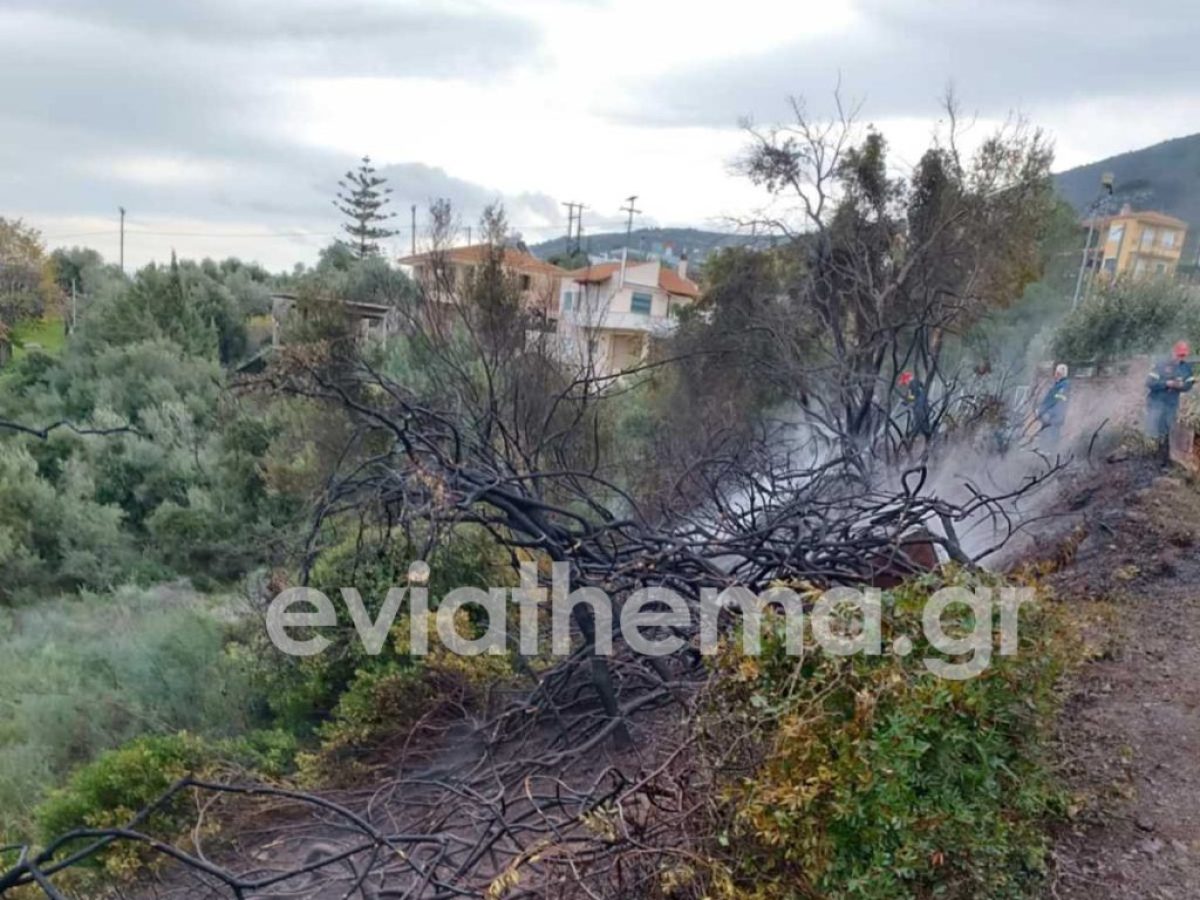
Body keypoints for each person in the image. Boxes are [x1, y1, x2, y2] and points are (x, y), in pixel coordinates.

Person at [1146, 340, 1195, 465]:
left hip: (1172, 404)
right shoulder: (1160, 365)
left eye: (1183, 355)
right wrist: (1166, 384)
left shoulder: (1186, 368)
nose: (1181, 358)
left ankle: (1165, 459)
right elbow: (1150, 383)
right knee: (1155, 429)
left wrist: (1181, 386)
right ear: (1173, 352)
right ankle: (1152, 456)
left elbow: (1189, 385)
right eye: (1179, 355)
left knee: (1168, 429)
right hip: (1156, 402)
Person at [1036, 363, 1070, 447]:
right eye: (1055, 373)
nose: (1055, 376)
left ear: (1062, 374)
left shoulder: (1064, 385)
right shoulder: (1057, 385)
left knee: (1051, 437)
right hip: (1049, 417)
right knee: (1044, 436)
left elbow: (1059, 401)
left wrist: (1049, 413)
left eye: (1057, 374)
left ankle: (1050, 454)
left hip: (1053, 418)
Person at [898, 371, 931, 440]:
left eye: (904, 383)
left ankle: (919, 436)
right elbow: (912, 397)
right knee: (921, 423)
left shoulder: (912, 384)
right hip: (923, 406)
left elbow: (913, 397)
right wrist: (906, 400)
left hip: (920, 408)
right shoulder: (916, 383)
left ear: (907, 380)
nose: (904, 385)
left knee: (920, 423)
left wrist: (905, 400)